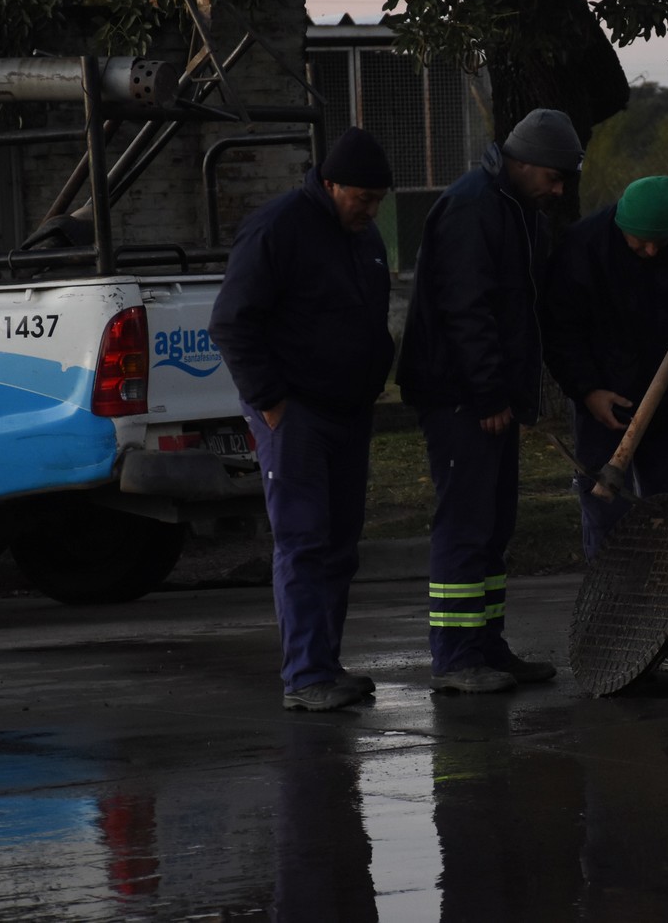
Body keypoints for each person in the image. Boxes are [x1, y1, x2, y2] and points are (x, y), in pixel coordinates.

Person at [396, 108, 584, 694]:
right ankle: (456, 656)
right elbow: (466, 309)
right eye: (553, 177)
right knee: (466, 523)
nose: (558, 190)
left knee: (494, 525)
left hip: (488, 397)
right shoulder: (475, 207)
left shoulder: (516, 210)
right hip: (461, 398)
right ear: (523, 162)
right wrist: (487, 394)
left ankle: (486, 645)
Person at [209, 126, 397, 712]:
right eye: (360, 199)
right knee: (304, 538)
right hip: (296, 413)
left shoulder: (361, 238)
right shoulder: (279, 227)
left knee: (340, 541)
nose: (369, 211)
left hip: (347, 410)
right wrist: (271, 401)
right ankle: (306, 675)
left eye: (377, 201)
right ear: (330, 182)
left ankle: (326, 664)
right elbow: (232, 321)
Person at [540, 175, 668, 673]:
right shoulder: (584, 247)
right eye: (637, 241)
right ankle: (611, 634)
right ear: (619, 225)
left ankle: (663, 641)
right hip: (606, 400)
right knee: (607, 519)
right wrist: (588, 390)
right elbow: (562, 328)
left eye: (657, 242)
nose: (648, 251)